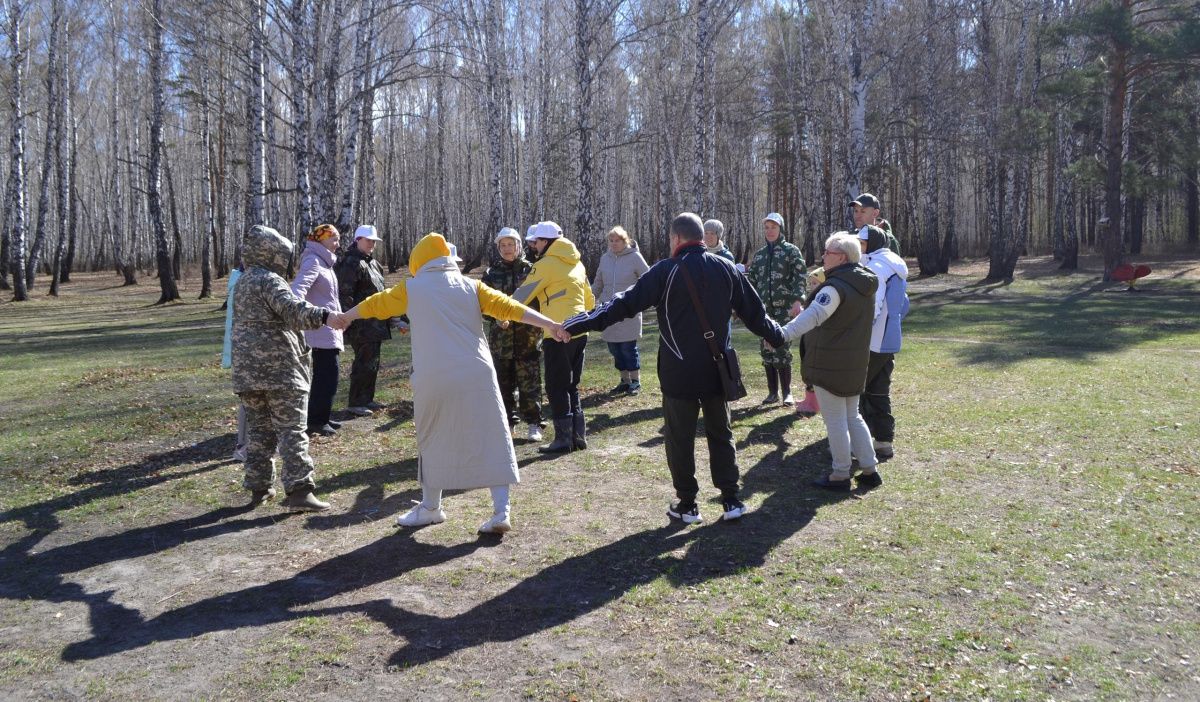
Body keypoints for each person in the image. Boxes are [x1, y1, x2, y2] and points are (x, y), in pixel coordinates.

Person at [332, 233, 565, 533]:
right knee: (492, 436)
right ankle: (501, 511)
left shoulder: (411, 288)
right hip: (477, 373)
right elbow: (510, 307)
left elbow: (376, 304)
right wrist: (550, 324)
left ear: (420, 260)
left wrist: (346, 316)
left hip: (434, 376)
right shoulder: (472, 286)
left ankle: (431, 507)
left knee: (432, 437)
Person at [562, 213, 785, 523]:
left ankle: (688, 504)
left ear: (677, 239)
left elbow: (622, 305)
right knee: (721, 433)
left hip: (678, 371)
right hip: (718, 368)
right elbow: (756, 314)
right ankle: (731, 500)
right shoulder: (727, 268)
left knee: (679, 438)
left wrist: (577, 324)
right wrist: (779, 336)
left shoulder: (665, 271)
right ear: (701, 238)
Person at [231, 225, 341, 511]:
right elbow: (294, 311)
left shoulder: (242, 282)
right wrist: (326, 316)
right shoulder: (270, 280)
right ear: (273, 252)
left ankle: (259, 487)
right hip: (279, 370)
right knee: (292, 430)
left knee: (258, 431)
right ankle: (299, 492)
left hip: (248, 372)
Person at [777, 231, 880, 492]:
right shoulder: (862, 284)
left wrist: (783, 334)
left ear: (842, 257)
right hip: (854, 363)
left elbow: (812, 317)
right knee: (852, 416)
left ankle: (840, 474)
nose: (823, 256)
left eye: (828, 252)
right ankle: (869, 469)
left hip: (831, 364)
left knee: (836, 420)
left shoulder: (835, 288)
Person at [513, 221, 595, 453]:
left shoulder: (546, 264)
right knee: (572, 384)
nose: (534, 246)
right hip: (581, 329)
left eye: (537, 241)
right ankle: (578, 436)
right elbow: (589, 300)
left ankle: (562, 440)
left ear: (546, 242)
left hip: (557, 331)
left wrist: (503, 311)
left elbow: (523, 294)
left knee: (556, 385)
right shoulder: (577, 263)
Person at [482, 227, 546, 441]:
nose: (508, 249)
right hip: (501, 341)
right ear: (498, 248)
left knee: (530, 383)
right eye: (503, 245)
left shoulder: (532, 270)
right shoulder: (490, 274)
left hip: (528, 338)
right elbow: (482, 305)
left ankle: (534, 423)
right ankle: (507, 423)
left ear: (519, 246)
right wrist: (495, 317)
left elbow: (541, 302)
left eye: (511, 244)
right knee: (503, 384)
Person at [858, 225, 909, 460]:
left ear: (873, 244)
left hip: (873, 340)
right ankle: (883, 442)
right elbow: (904, 305)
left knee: (857, 392)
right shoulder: (894, 265)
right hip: (889, 339)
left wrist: (859, 332)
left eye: (863, 243)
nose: (859, 247)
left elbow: (872, 306)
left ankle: (860, 446)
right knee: (879, 391)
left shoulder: (877, 267)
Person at [335, 224, 396, 418]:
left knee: (372, 362)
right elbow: (345, 294)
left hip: (376, 323)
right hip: (360, 324)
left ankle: (367, 398)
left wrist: (392, 318)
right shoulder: (351, 263)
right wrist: (348, 320)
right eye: (368, 240)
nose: (372, 244)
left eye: (374, 241)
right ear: (358, 240)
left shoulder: (374, 264)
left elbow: (382, 294)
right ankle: (356, 402)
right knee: (362, 362)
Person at [747, 212, 807, 405]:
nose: (770, 231)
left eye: (773, 227)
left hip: (784, 310)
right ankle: (772, 393)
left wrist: (798, 301)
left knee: (781, 348)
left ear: (780, 228)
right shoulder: (760, 255)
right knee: (766, 350)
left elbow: (800, 277)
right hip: (764, 311)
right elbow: (752, 282)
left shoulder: (791, 251)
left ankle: (787, 392)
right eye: (767, 227)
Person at [291, 224, 344, 437]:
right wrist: (314, 315)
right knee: (327, 375)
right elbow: (297, 292)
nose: (338, 244)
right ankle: (315, 420)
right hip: (318, 329)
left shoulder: (325, 263)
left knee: (327, 375)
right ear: (321, 240)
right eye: (334, 239)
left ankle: (321, 416)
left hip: (328, 328)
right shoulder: (313, 261)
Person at [591, 225, 650, 394]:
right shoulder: (605, 258)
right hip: (608, 309)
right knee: (614, 348)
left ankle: (635, 381)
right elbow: (598, 282)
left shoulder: (635, 257)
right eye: (611, 240)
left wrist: (639, 300)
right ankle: (624, 381)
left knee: (627, 348)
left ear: (625, 241)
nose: (614, 243)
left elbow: (648, 280)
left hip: (628, 310)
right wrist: (589, 299)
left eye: (617, 240)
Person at [222, 265, 247, 461]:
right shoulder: (243, 282)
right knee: (250, 399)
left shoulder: (242, 279)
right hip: (248, 351)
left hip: (249, 350)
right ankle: (243, 446)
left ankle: (248, 445)